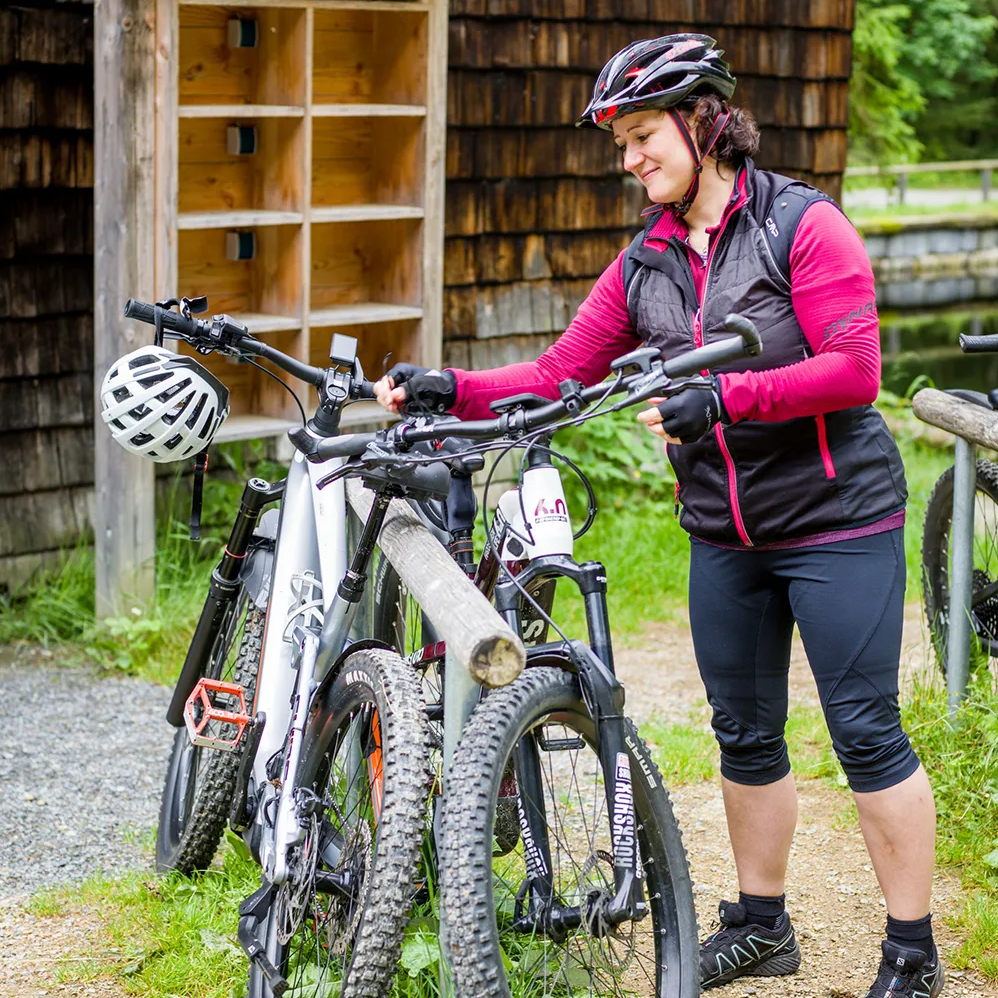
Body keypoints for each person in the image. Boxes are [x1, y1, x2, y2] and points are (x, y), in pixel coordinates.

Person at [373, 34, 942, 998]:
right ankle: (762, 927)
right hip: (726, 533)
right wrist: (449, 387)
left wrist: (727, 397)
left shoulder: (803, 227)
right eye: (623, 145)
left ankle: (911, 951)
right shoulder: (649, 261)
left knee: (865, 732)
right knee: (745, 733)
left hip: (837, 519)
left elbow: (855, 369)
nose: (631, 159)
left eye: (644, 137)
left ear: (704, 124)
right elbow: (557, 374)